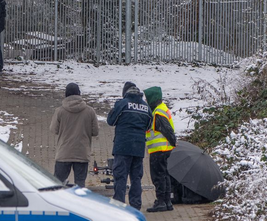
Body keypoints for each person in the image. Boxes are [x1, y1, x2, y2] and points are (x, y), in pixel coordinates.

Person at [106, 82, 152, 210]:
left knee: (120, 176)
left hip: (123, 146)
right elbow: (148, 126)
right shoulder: (145, 107)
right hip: (138, 148)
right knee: (136, 177)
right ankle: (136, 205)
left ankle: (119, 205)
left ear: (125, 92)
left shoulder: (122, 104)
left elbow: (111, 121)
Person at [50, 83, 99, 188]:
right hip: (82, 153)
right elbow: (95, 132)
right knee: (80, 185)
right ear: (79, 94)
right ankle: (79, 203)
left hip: (64, 153)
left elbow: (54, 129)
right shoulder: (90, 111)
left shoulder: (60, 111)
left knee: (57, 185)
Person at [144, 86, 177, 213]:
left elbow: (167, 129)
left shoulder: (157, 113)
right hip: (164, 149)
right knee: (164, 175)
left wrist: (173, 141)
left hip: (159, 150)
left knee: (158, 176)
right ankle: (167, 201)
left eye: (148, 99)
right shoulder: (162, 109)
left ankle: (161, 201)